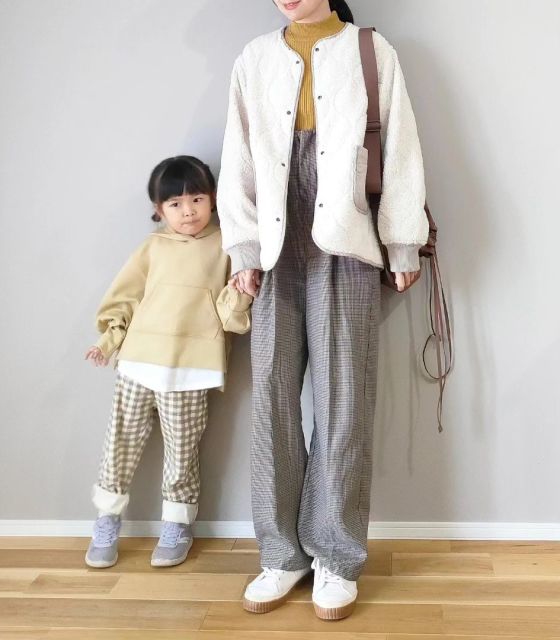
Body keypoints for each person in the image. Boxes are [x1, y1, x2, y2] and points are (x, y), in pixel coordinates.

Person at [217, 0, 429, 620]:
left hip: (348, 235)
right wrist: (243, 248)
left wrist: (402, 241)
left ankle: (335, 555)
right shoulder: (255, 57)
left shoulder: (371, 50)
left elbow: (400, 146)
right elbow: (239, 155)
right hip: (274, 237)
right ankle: (280, 554)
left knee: (344, 400)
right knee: (272, 401)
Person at [84, 156, 252, 569]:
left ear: (213, 199)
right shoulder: (152, 247)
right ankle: (107, 519)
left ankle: (177, 525)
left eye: (197, 199)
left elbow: (231, 317)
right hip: (139, 362)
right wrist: (108, 341)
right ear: (159, 210)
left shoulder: (229, 246)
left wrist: (242, 291)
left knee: (182, 449)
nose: (188, 211)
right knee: (120, 443)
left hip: (193, 369)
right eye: (175, 204)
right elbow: (125, 298)